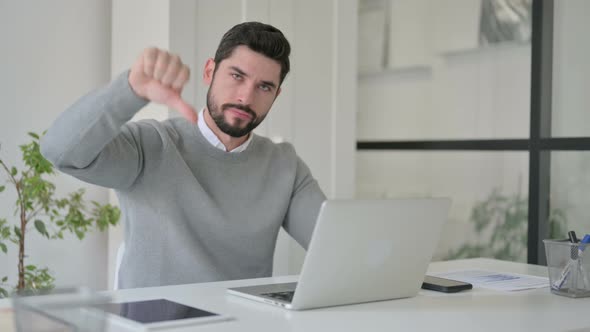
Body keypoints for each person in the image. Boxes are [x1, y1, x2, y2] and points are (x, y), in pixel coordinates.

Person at [40, 22, 326, 289]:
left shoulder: (284, 164)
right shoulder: (150, 144)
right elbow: (60, 151)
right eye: (237, 76)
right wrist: (129, 90)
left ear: (276, 95)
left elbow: (333, 245)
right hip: (155, 323)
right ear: (209, 71)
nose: (246, 97)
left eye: (264, 87)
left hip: (243, 323)